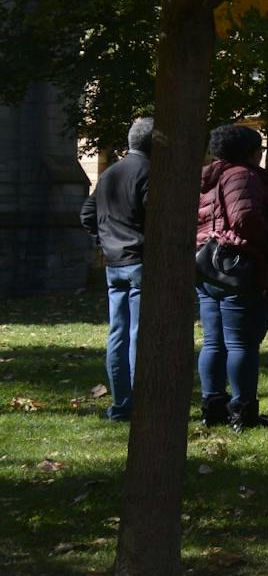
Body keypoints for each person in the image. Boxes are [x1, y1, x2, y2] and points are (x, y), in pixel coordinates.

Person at [195, 123, 268, 430]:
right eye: (260, 149)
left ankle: (213, 407)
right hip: (237, 268)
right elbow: (244, 217)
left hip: (208, 268)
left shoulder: (207, 178)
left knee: (214, 342)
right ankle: (243, 413)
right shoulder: (241, 175)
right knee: (240, 343)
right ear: (249, 152)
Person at [80, 116, 152, 423]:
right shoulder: (149, 172)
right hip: (140, 262)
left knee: (118, 334)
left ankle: (122, 405)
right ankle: (140, 405)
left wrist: (104, 241)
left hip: (115, 264)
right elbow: (157, 217)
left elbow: (86, 213)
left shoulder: (110, 172)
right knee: (138, 334)